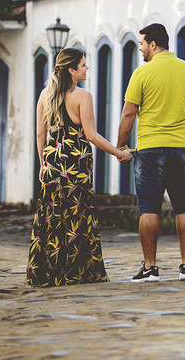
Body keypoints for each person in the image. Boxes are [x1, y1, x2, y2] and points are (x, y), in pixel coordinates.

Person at [27, 48, 133, 287]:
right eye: (83, 65)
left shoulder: (45, 95)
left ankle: (48, 272)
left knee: (52, 216)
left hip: (53, 161)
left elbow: (39, 133)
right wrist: (120, 152)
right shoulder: (83, 96)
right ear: (72, 70)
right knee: (78, 216)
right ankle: (79, 272)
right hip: (76, 163)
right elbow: (92, 135)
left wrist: (43, 164)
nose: (87, 68)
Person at [117, 23, 185, 282]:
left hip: (151, 151)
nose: (140, 49)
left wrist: (120, 146)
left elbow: (129, 114)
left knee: (149, 209)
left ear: (153, 44)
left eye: (142, 44)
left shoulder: (141, 74)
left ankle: (150, 268)